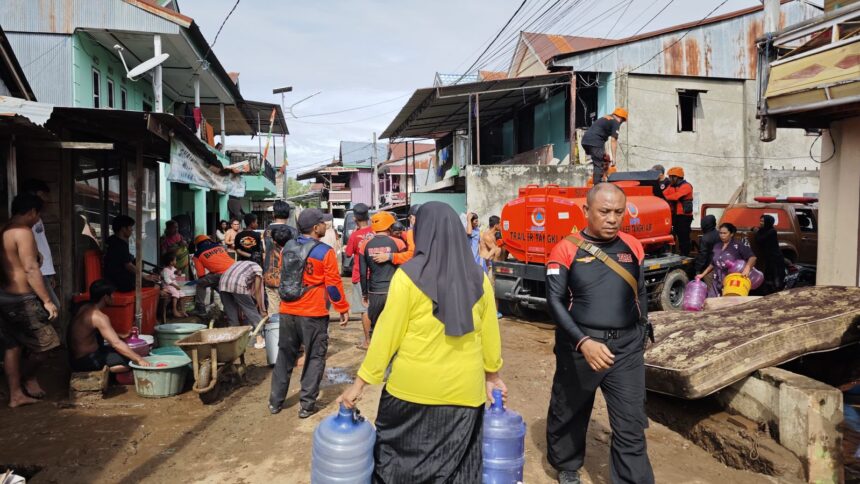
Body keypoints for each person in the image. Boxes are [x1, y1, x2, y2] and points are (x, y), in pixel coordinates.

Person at [337, 201, 506, 483]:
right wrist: (493, 375)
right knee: (455, 473)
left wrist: (360, 383)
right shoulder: (479, 278)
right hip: (465, 395)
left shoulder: (407, 277)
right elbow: (490, 334)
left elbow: (386, 336)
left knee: (400, 470)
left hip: (410, 394)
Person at [545, 183, 654, 484]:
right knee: (570, 408)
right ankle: (567, 464)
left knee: (631, 421)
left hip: (626, 347)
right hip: (580, 346)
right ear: (586, 211)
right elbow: (554, 302)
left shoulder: (633, 246)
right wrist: (583, 342)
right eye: (604, 211)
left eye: (619, 212)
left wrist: (642, 326)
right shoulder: (565, 248)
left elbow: (641, 291)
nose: (612, 218)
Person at [269, 208, 350, 418]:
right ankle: (306, 405)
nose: (326, 225)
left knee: (285, 356)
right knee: (314, 357)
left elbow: (283, 274)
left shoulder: (287, 247)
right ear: (316, 228)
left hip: (287, 311)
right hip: (312, 313)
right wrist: (342, 308)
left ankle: (275, 402)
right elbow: (333, 285)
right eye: (323, 223)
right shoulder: (325, 252)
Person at [0, 193, 61, 408]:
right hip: (22, 298)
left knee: (12, 346)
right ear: (32, 212)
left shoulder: (4, 229)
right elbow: (30, 268)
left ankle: (15, 394)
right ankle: (25, 379)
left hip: (4, 296)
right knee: (47, 345)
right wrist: (46, 300)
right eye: (38, 215)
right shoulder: (23, 232)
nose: (38, 220)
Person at [69, 279, 151, 373]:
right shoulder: (99, 317)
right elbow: (116, 344)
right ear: (105, 297)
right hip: (86, 361)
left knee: (122, 351)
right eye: (112, 295)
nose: (113, 297)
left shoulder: (83, 306)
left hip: (73, 360)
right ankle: (104, 371)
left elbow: (88, 332)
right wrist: (139, 359)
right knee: (130, 362)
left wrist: (120, 336)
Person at [358, 212, 405, 345]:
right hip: (395, 291)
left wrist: (364, 293)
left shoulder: (365, 244)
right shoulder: (399, 243)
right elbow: (405, 268)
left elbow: (363, 272)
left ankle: (375, 353)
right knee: (395, 327)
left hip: (375, 292)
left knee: (376, 327)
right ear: (390, 226)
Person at [20, 179, 60, 310]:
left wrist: (50, 271)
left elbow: (42, 244)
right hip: (38, 271)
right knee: (50, 307)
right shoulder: (25, 219)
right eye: (45, 195)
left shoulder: (36, 217)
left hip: (45, 271)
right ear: (36, 193)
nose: (47, 199)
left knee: (48, 309)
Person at [696, 223, 757, 297]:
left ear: (731, 234)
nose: (722, 235)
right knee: (712, 301)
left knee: (728, 303)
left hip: (732, 282)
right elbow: (713, 263)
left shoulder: (738, 245)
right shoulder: (717, 246)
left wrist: (747, 268)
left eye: (725, 233)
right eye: (720, 233)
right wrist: (702, 274)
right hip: (717, 281)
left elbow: (752, 257)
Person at [104, 215, 159, 293]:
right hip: (120, 282)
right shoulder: (120, 244)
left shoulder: (111, 240)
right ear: (123, 228)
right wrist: (144, 276)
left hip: (111, 278)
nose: (132, 230)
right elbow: (128, 265)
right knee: (154, 283)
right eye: (130, 227)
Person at [262, 201, 298, 316]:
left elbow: (264, 252)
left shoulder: (266, 232)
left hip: (269, 275)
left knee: (273, 311)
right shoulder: (294, 232)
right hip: (288, 278)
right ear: (288, 215)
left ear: (273, 214)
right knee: (289, 310)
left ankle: (274, 333)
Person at [581, 107, 628, 184]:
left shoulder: (606, 118)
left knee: (603, 159)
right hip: (595, 142)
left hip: (586, 141)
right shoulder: (615, 122)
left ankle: (600, 181)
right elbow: (613, 140)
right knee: (600, 164)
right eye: (622, 121)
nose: (621, 123)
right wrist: (614, 158)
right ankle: (597, 188)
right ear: (621, 118)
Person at [345, 203, 373, 327]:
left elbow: (348, 254)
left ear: (355, 218)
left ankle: (367, 341)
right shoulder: (376, 231)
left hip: (360, 276)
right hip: (378, 274)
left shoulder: (354, 235)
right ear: (368, 216)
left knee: (365, 308)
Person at [191, 235, 235, 314]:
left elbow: (201, 275)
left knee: (201, 283)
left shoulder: (197, 255)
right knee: (214, 281)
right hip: (235, 269)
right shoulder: (219, 247)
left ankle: (200, 308)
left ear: (197, 245)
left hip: (221, 274)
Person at [218, 260, 265, 331]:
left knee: (231, 313)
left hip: (222, 283)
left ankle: (234, 334)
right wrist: (262, 310)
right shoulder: (258, 269)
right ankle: (260, 331)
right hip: (237, 283)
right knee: (250, 309)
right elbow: (257, 291)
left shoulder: (240, 263)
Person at [663, 166, 694, 256]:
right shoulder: (671, 186)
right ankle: (672, 254)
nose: (669, 179)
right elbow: (663, 194)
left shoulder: (687, 186)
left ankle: (685, 255)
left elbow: (676, 196)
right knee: (672, 236)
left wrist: (667, 197)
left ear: (676, 177)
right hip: (674, 215)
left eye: (670, 177)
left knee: (683, 237)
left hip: (684, 216)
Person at [754, 215, 785, 295]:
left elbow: (759, 239)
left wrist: (756, 231)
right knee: (768, 276)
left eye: (763, 221)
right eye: (760, 221)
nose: (761, 223)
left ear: (768, 222)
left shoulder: (772, 231)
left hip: (775, 258)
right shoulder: (764, 230)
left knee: (776, 277)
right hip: (768, 258)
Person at [161, 253, 188, 318]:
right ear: (171, 262)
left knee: (182, 294)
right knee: (175, 293)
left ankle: (182, 311)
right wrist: (175, 286)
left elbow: (176, 275)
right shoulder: (165, 270)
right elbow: (167, 281)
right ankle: (174, 311)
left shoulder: (173, 268)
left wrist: (179, 273)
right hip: (168, 286)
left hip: (174, 285)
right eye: (175, 260)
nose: (176, 261)